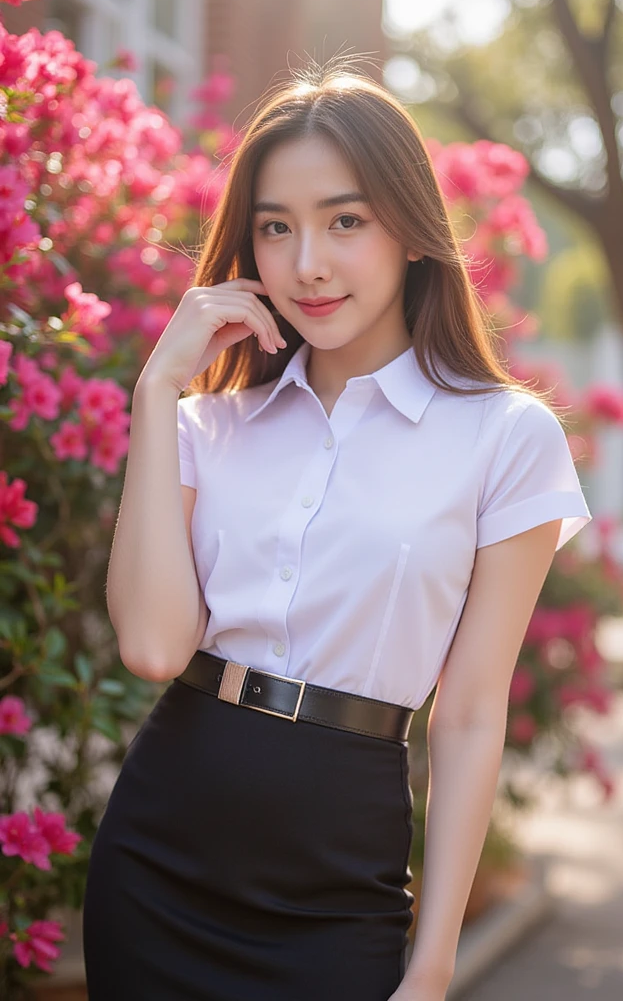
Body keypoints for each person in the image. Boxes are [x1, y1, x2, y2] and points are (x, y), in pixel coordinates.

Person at [82, 59, 593, 1001]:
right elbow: (154, 647)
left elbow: (473, 712)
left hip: (339, 890)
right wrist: (157, 389)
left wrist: (432, 965)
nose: (306, 262)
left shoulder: (503, 437)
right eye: (276, 227)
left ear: (409, 230)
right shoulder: (205, 425)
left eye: (344, 221)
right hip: (159, 862)